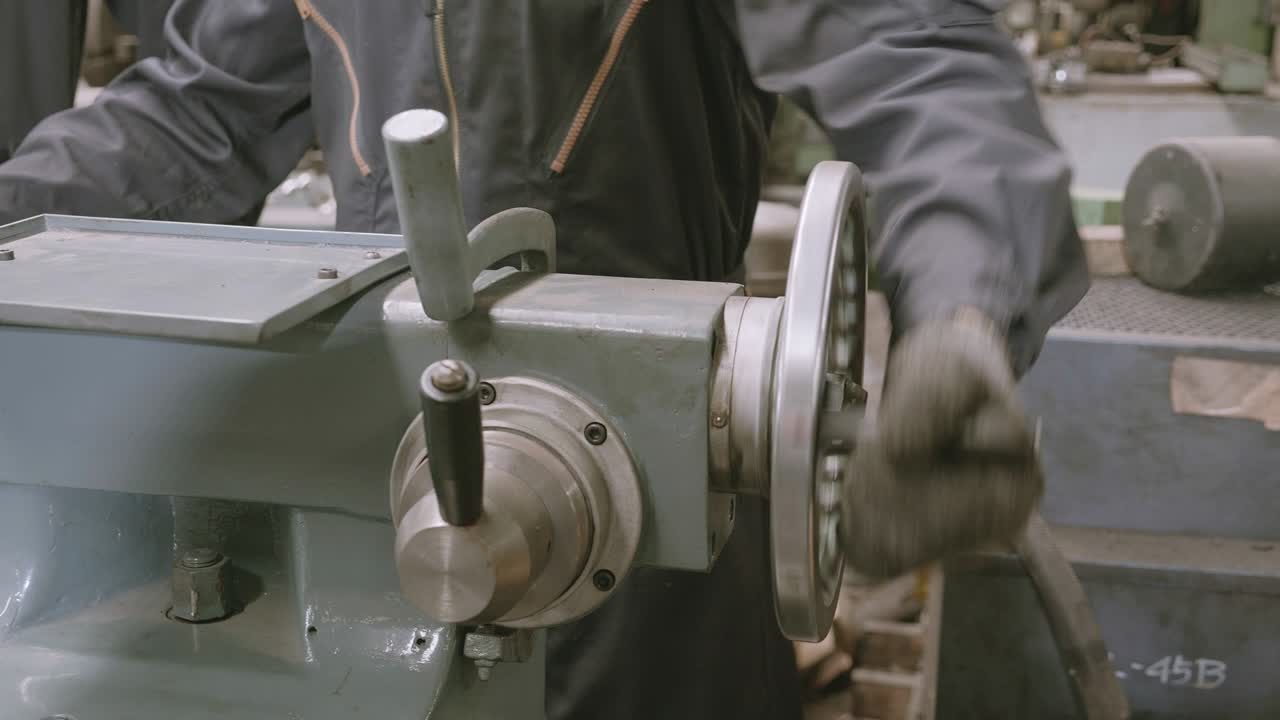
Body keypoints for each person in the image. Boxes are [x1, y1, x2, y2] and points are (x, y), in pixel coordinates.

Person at [0, 1, 1089, 717]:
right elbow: (196, 115)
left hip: (658, 530)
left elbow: (919, 67)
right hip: (384, 511)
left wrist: (963, 314)